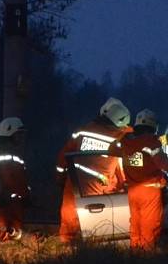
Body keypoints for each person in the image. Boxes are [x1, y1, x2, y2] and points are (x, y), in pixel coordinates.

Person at [55, 97, 132, 244]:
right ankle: (95, 249)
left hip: (74, 183)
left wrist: (60, 179)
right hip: (99, 188)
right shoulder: (119, 138)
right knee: (98, 228)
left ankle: (67, 250)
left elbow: (62, 158)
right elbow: (123, 167)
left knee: (69, 222)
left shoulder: (81, 131)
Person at [109, 109, 168, 250]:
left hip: (133, 192)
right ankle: (147, 261)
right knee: (150, 227)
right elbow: (165, 164)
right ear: (153, 126)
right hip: (149, 192)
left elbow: (111, 149)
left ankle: (136, 257)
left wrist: (124, 131)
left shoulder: (126, 144)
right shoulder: (151, 142)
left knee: (136, 226)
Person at [0, 117, 30, 242]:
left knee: (15, 228)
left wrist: (26, 195)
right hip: (2, 198)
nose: (20, 137)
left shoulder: (17, 153)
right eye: (18, 134)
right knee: (0, 227)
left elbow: (21, 176)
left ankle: (12, 246)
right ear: (9, 132)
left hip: (15, 200)